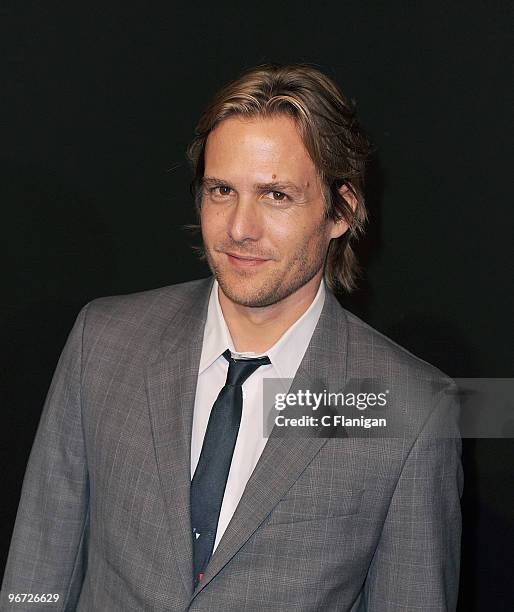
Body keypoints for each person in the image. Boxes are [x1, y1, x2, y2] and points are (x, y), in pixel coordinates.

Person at [1, 64, 463, 611]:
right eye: (222, 190)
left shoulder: (409, 407)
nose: (240, 227)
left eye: (276, 195)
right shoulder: (103, 342)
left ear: (342, 210)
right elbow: (36, 574)